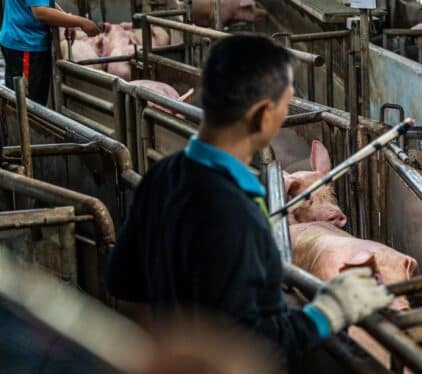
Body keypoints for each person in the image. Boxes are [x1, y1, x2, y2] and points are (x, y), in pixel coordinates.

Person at [105, 34, 393, 373]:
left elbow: (121, 280)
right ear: (262, 115)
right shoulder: (234, 213)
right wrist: (326, 313)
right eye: (285, 105)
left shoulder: (163, 175)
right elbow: (255, 343)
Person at [0, 1, 99, 104]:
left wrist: (66, 20)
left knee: (18, 96)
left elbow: (46, 2)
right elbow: (41, 12)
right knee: (29, 103)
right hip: (27, 43)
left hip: (17, 37)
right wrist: (81, 22)